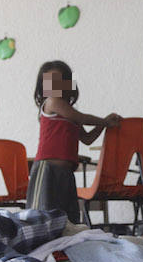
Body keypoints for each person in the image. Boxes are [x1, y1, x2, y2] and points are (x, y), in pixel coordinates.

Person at [26, 60, 121, 224]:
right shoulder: (52, 102)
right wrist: (104, 121)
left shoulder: (69, 113)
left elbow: (87, 138)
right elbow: (82, 118)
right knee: (43, 216)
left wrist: (104, 125)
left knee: (68, 218)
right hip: (47, 169)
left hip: (66, 173)